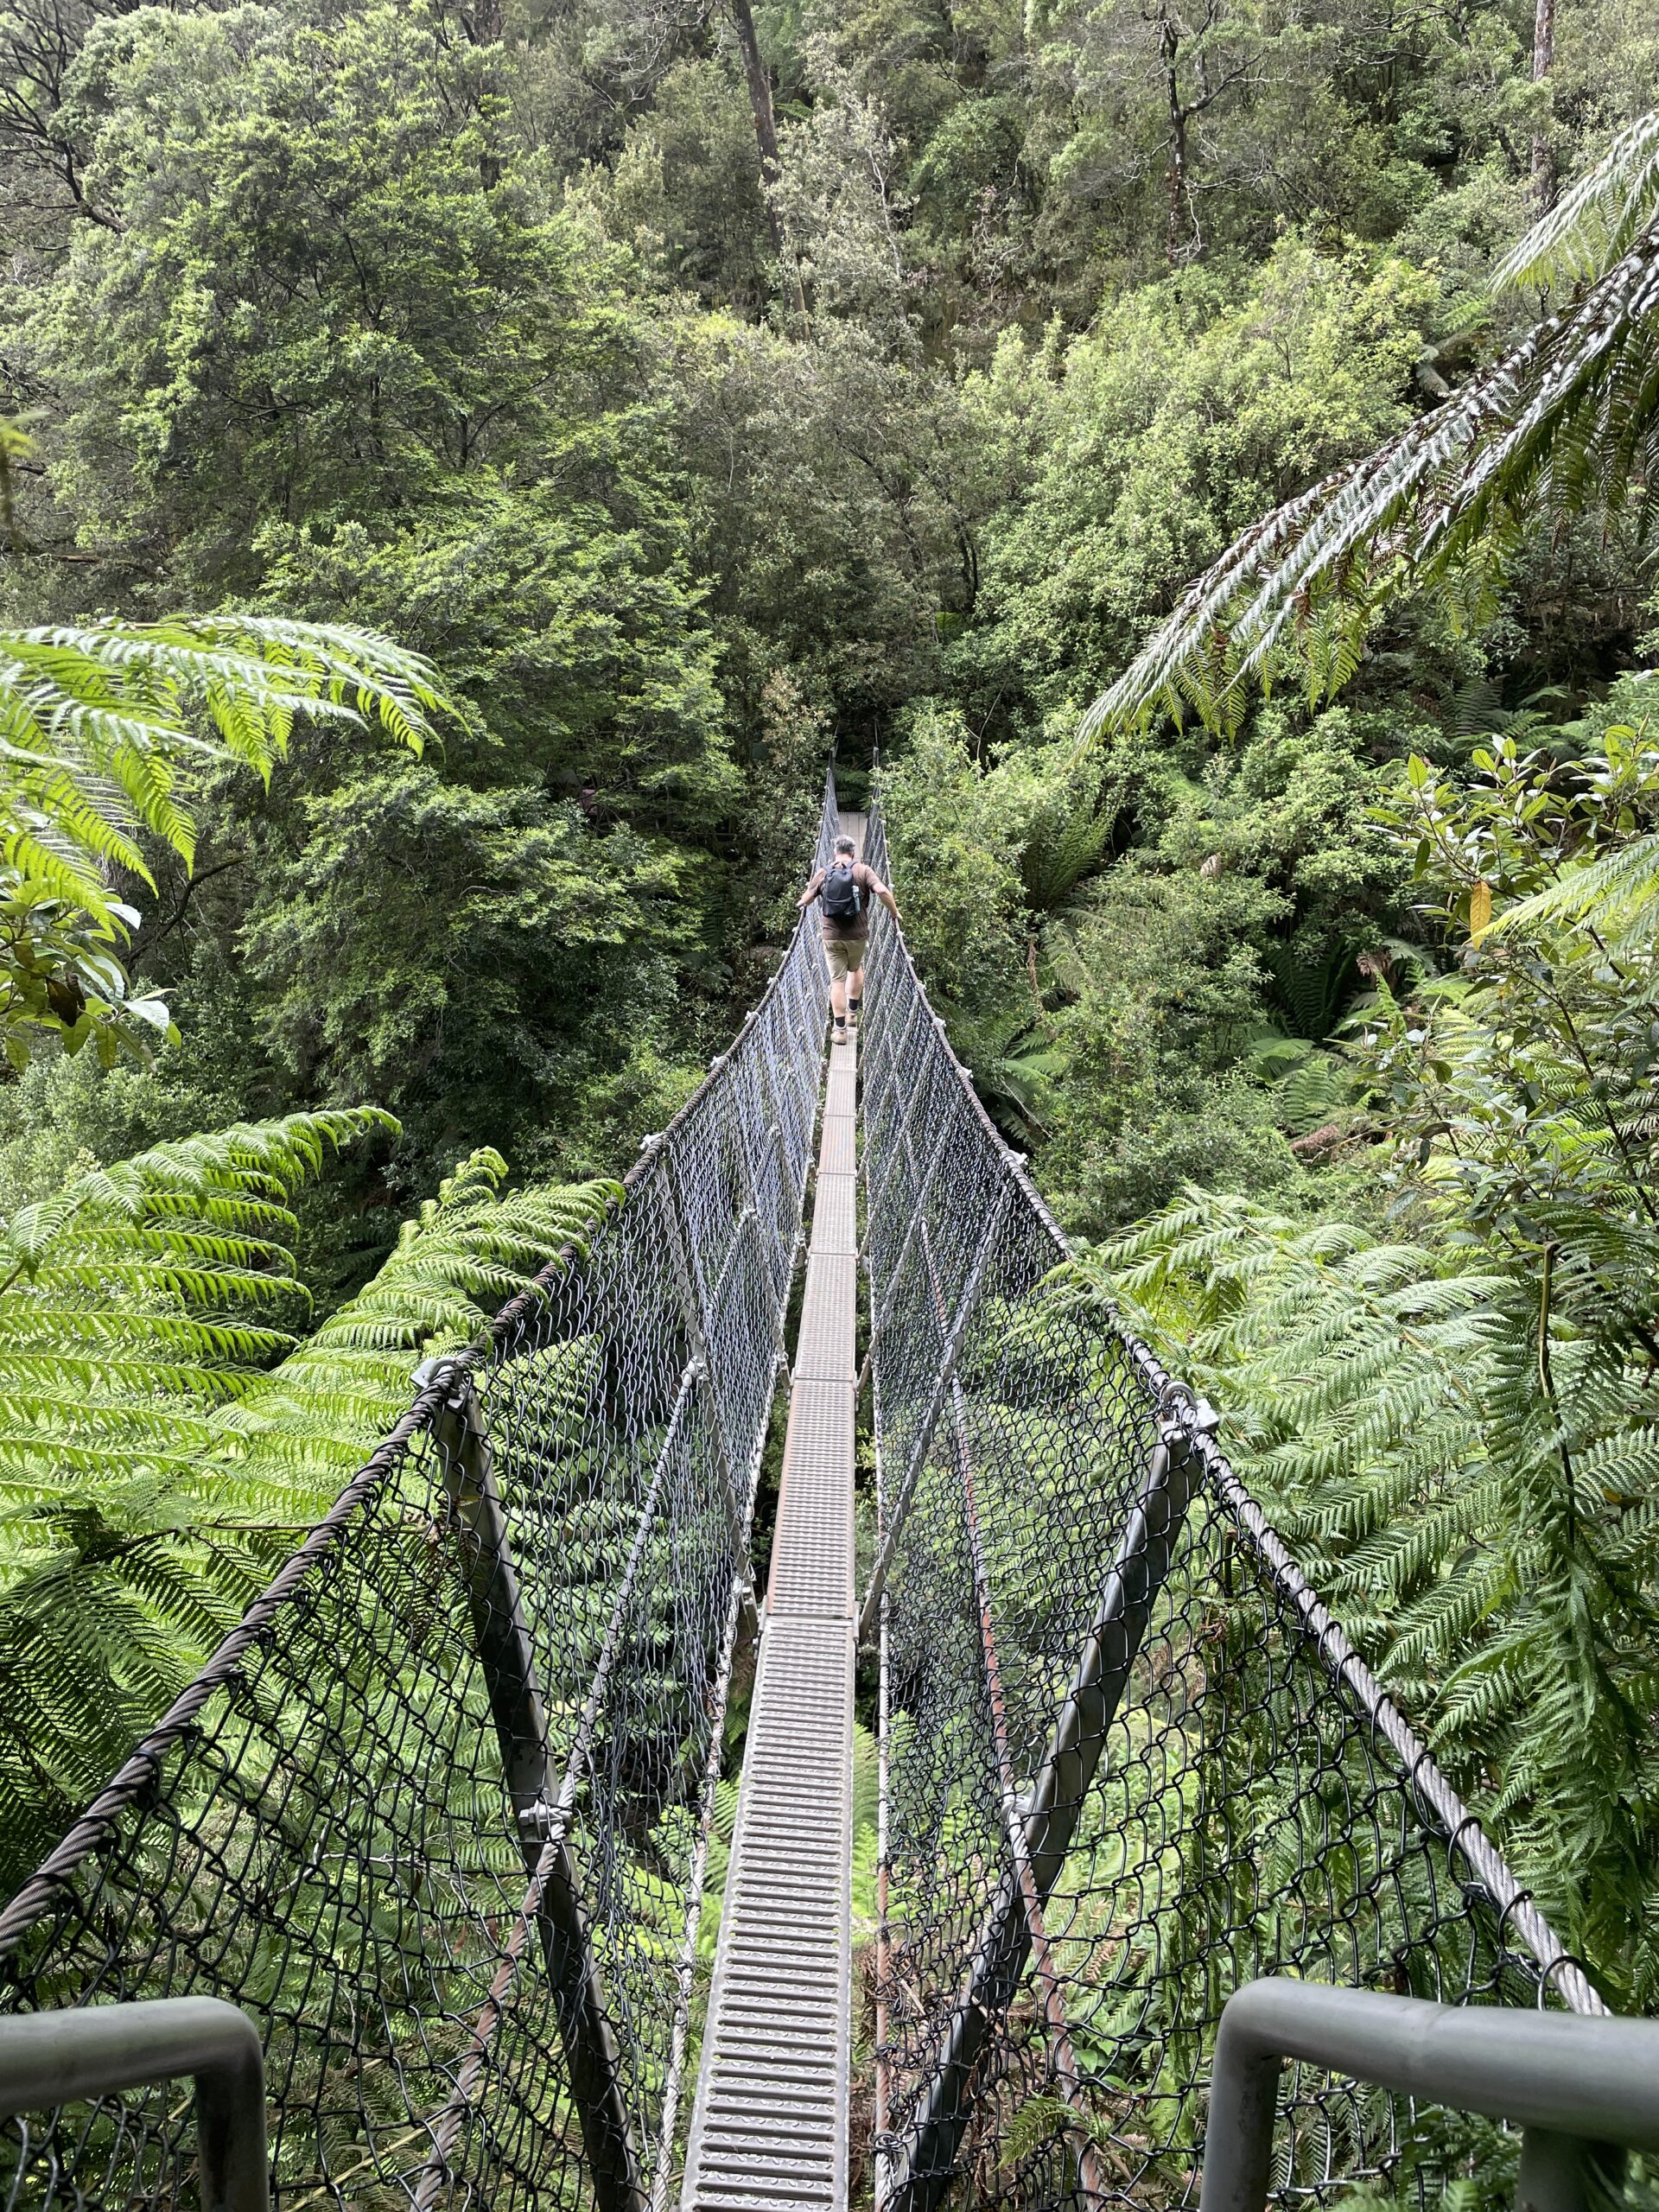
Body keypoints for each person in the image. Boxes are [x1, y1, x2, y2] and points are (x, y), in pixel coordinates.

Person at [798, 835, 900, 1041]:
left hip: (832, 936)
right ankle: (853, 1014)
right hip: (857, 936)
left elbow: (806, 900)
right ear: (853, 853)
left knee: (837, 981)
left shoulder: (824, 872)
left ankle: (841, 1031)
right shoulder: (863, 870)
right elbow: (881, 890)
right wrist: (894, 911)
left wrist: (800, 904)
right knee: (855, 968)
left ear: (835, 852)